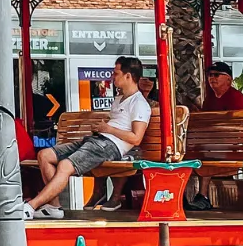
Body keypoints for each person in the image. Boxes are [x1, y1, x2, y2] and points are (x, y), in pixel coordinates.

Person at [25, 56, 151, 219]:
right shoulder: (120, 99)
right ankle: (53, 206)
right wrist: (102, 129)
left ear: (128, 76)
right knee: (45, 155)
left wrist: (108, 129)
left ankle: (30, 206)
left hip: (110, 146)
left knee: (65, 165)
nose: (113, 77)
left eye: (116, 73)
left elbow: (136, 138)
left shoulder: (139, 103)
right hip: (97, 140)